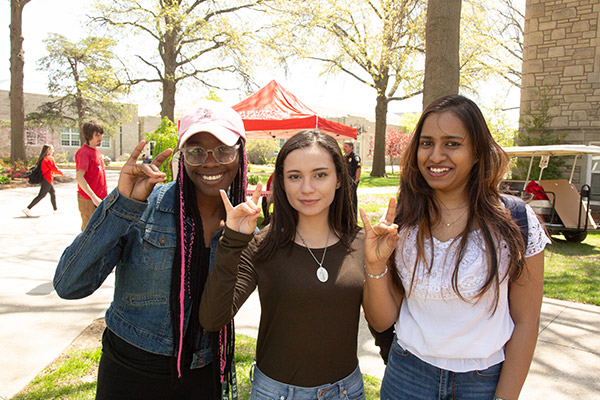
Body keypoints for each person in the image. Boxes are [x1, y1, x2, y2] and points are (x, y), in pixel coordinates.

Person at [360, 95, 550, 400]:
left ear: (476, 152)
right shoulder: (403, 220)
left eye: (452, 143)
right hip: (407, 377)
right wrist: (374, 266)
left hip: (483, 383)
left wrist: (505, 398)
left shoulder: (515, 221)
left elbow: (526, 321)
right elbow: (382, 320)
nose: (436, 155)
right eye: (426, 143)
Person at [53, 102, 248, 399]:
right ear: (182, 158)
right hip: (132, 371)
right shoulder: (144, 207)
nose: (211, 162)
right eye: (196, 151)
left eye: (224, 149)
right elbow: (69, 285)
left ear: (240, 155)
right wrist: (122, 206)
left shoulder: (244, 229)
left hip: (202, 375)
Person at [199, 130, 366, 399]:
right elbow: (212, 319)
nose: (307, 188)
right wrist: (233, 241)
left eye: (320, 175)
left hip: (346, 391)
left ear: (338, 179)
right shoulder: (263, 245)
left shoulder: (362, 243)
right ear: (282, 182)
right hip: (276, 392)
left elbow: (383, 324)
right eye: (295, 176)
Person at [75, 120, 108, 231]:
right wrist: (93, 197)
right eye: (97, 135)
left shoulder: (97, 152)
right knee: (88, 233)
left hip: (100, 199)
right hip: (88, 200)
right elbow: (80, 177)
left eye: (101, 134)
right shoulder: (84, 153)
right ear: (89, 136)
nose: (100, 138)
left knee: (100, 231)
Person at [22, 144, 63, 216]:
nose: (53, 151)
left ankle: (55, 210)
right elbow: (53, 168)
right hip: (47, 179)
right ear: (48, 150)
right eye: (52, 149)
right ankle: (27, 208)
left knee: (52, 193)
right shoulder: (49, 158)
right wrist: (60, 172)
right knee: (41, 195)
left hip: (46, 179)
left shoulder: (44, 158)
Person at [344, 141, 361, 217]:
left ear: (351, 148)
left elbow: (358, 169)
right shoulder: (344, 157)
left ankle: (354, 217)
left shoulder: (355, 157)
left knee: (352, 200)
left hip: (352, 181)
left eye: (346, 146)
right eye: (344, 146)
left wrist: (356, 181)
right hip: (345, 182)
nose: (344, 148)